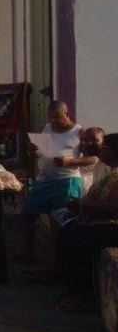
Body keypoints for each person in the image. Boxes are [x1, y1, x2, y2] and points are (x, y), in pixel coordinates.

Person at [55, 132, 118, 311]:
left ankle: (81, 294)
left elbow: (112, 208)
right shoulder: (109, 171)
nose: (100, 150)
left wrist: (83, 204)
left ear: (113, 151)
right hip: (103, 220)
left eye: (103, 146)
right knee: (67, 229)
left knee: (78, 237)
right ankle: (69, 284)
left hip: (113, 224)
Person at [19, 101, 89, 260]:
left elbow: (93, 158)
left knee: (61, 221)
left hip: (66, 181)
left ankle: (60, 259)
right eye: (50, 117)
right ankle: (29, 252)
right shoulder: (46, 128)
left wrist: (69, 162)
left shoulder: (79, 133)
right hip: (43, 180)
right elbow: (37, 153)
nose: (53, 121)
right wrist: (32, 150)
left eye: (57, 117)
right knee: (28, 213)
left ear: (67, 115)